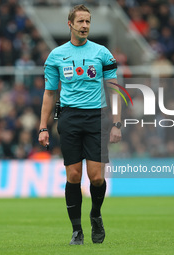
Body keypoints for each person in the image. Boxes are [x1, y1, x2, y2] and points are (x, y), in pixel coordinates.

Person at [38, 4, 121, 245]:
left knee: (96, 177)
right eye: (81, 21)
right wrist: (43, 127)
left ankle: (95, 214)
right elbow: (49, 93)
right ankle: (77, 230)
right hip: (69, 118)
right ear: (70, 24)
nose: (85, 26)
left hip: (97, 117)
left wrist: (117, 123)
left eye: (88, 22)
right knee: (73, 175)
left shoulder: (102, 53)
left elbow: (114, 90)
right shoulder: (56, 56)